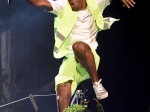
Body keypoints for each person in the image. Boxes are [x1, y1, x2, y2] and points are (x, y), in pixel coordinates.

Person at [25, 0, 136, 111]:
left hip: (89, 57)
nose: (69, 1)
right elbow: (39, 2)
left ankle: (96, 83)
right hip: (70, 60)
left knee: (78, 46)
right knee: (62, 91)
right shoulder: (64, 5)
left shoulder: (97, 2)